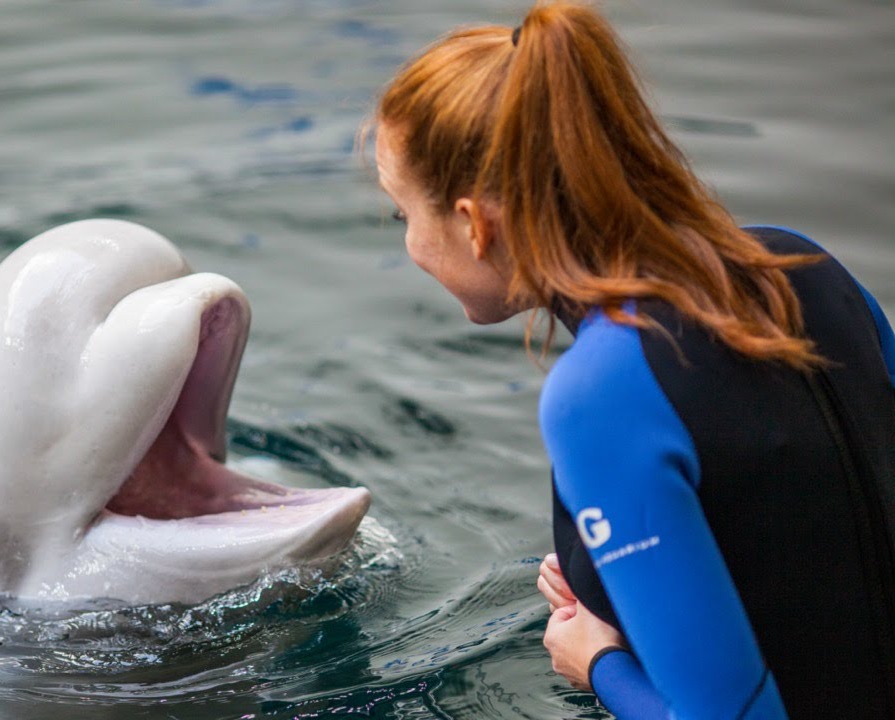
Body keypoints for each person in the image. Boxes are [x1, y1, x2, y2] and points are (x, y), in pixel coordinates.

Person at [366, 2, 895, 718]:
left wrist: (598, 661)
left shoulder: (601, 391)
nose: (410, 245)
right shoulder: (804, 265)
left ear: (473, 224)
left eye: (404, 215)